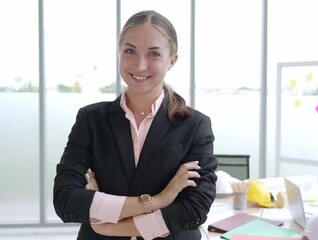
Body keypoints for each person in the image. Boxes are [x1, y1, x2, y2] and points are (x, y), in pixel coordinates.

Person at [53, 10, 218, 240]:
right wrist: (160, 200)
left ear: (172, 60)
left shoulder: (195, 126)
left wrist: (108, 225)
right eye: (130, 51)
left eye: (154, 54)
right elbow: (66, 200)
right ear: (119, 53)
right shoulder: (90, 120)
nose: (140, 65)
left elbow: (193, 210)